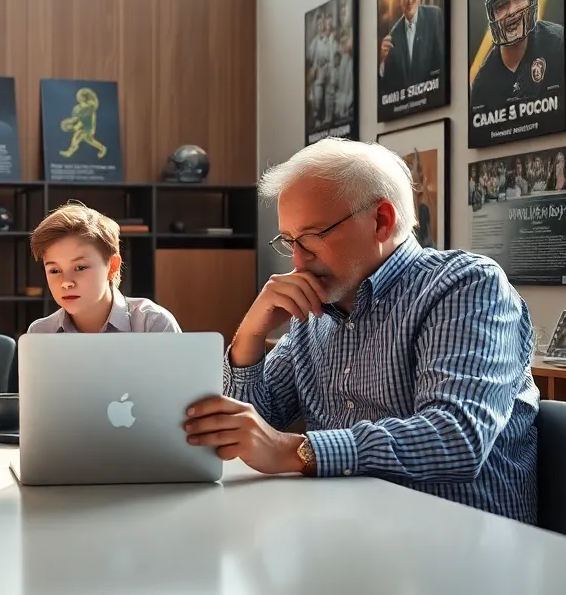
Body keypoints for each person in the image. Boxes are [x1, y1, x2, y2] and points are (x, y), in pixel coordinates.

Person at [183, 137, 539, 524]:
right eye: (289, 241)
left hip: (459, 541)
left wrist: (297, 451)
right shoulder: (317, 305)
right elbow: (252, 428)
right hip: (345, 533)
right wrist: (249, 335)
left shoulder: (465, 286)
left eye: (312, 237)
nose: (298, 259)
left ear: (381, 221)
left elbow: (455, 436)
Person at [26, 202, 180, 334]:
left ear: (112, 266)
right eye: (54, 271)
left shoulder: (152, 324)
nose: (66, 282)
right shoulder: (40, 332)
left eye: (80, 267)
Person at [470, 0, 565, 107]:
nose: (512, 11)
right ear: (492, 14)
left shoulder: (559, 44)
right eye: (502, 4)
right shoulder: (482, 86)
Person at [378, 0, 446, 95]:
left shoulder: (434, 17)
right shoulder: (394, 35)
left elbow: (443, 66)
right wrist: (382, 63)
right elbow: (388, 88)